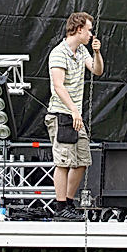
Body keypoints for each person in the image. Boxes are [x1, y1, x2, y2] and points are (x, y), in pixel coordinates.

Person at [45, 11, 103, 220]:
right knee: (63, 161)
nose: (90, 34)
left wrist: (96, 53)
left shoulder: (82, 52)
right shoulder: (58, 53)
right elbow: (58, 86)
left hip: (74, 115)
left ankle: (68, 203)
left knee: (82, 160)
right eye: (88, 30)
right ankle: (61, 207)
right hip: (61, 114)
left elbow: (97, 71)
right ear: (78, 29)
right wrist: (74, 110)